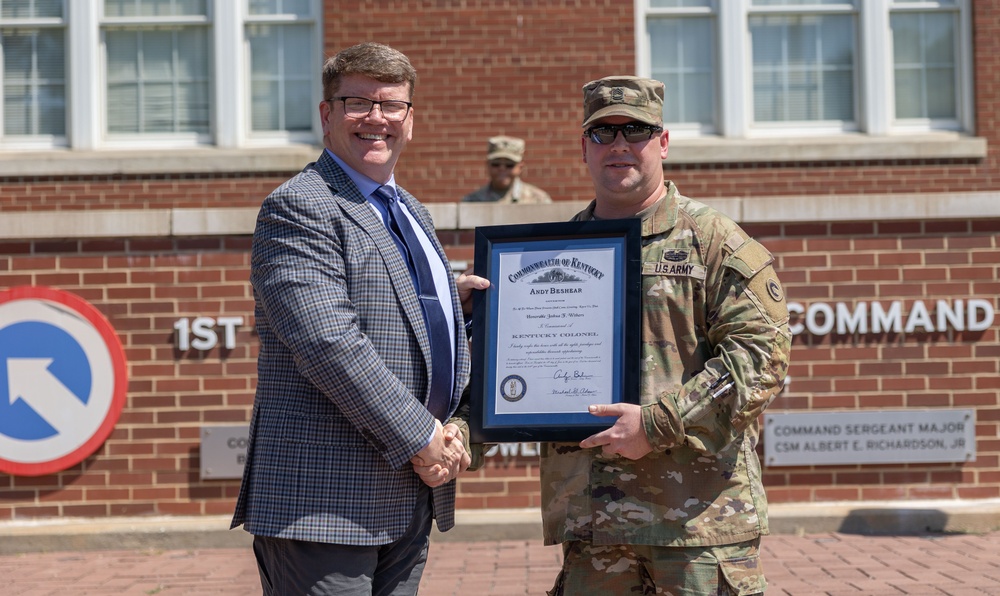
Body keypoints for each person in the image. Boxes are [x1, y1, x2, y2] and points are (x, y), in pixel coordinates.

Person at [231, 42, 489, 596]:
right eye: (357, 102)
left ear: (410, 120)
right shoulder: (301, 205)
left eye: (391, 105)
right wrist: (425, 437)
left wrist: (447, 300)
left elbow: (389, 308)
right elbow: (328, 341)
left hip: (409, 497)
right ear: (326, 115)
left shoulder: (410, 209)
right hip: (326, 502)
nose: (376, 118)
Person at [541, 76, 792, 595]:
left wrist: (658, 424)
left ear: (663, 141)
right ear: (582, 147)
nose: (619, 145)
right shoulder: (552, 253)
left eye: (635, 130)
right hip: (594, 528)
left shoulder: (713, 241)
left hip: (698, 527)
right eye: (603, 132)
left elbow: (761, 357)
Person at [461, 135, 553, 204]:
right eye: (496, 164)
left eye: (509, 165)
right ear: (488, 165)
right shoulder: (472, 201)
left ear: (520, 167)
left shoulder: (538, 200)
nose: (502, 169)